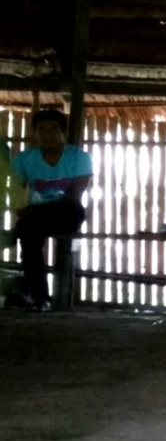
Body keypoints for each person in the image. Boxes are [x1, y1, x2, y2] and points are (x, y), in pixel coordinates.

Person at [8, 109, 92, 312]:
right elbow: (16, 191)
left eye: (53, 129)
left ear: (62, 131)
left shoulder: (79, 157)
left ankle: (15, 233)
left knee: (31, 225)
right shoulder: (24, 159)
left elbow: (74, 194)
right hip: (35, 218)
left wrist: (28, 216)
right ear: (35, 133)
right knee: (29, 238)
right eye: (42, 129)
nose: (47, 134)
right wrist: (22, 211)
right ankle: (39, 298)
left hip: (67, 212)